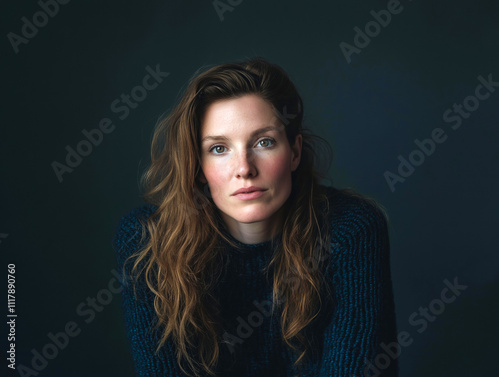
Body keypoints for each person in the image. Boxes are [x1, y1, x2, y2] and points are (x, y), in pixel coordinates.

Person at [112, 57, 399, 377]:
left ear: (294, 152)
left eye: (264, 142)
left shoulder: (350, 230)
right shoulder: (149, 241)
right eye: (219, 148)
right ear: (198, 165)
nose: (245, 168)